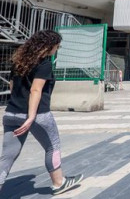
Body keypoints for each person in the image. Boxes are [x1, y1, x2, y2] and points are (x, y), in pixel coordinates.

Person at [0, 30, 83, 195]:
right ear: (48, 47)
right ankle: (59, 183)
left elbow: (11, 86)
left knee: (8, 155)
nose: (56, 50)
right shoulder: (44, 63)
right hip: (38, 115)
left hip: (11, 113)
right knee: (53, 147)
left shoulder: (18, 61)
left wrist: (18, 106)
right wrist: (31, 117)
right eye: (56, 46)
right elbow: (35, 90)